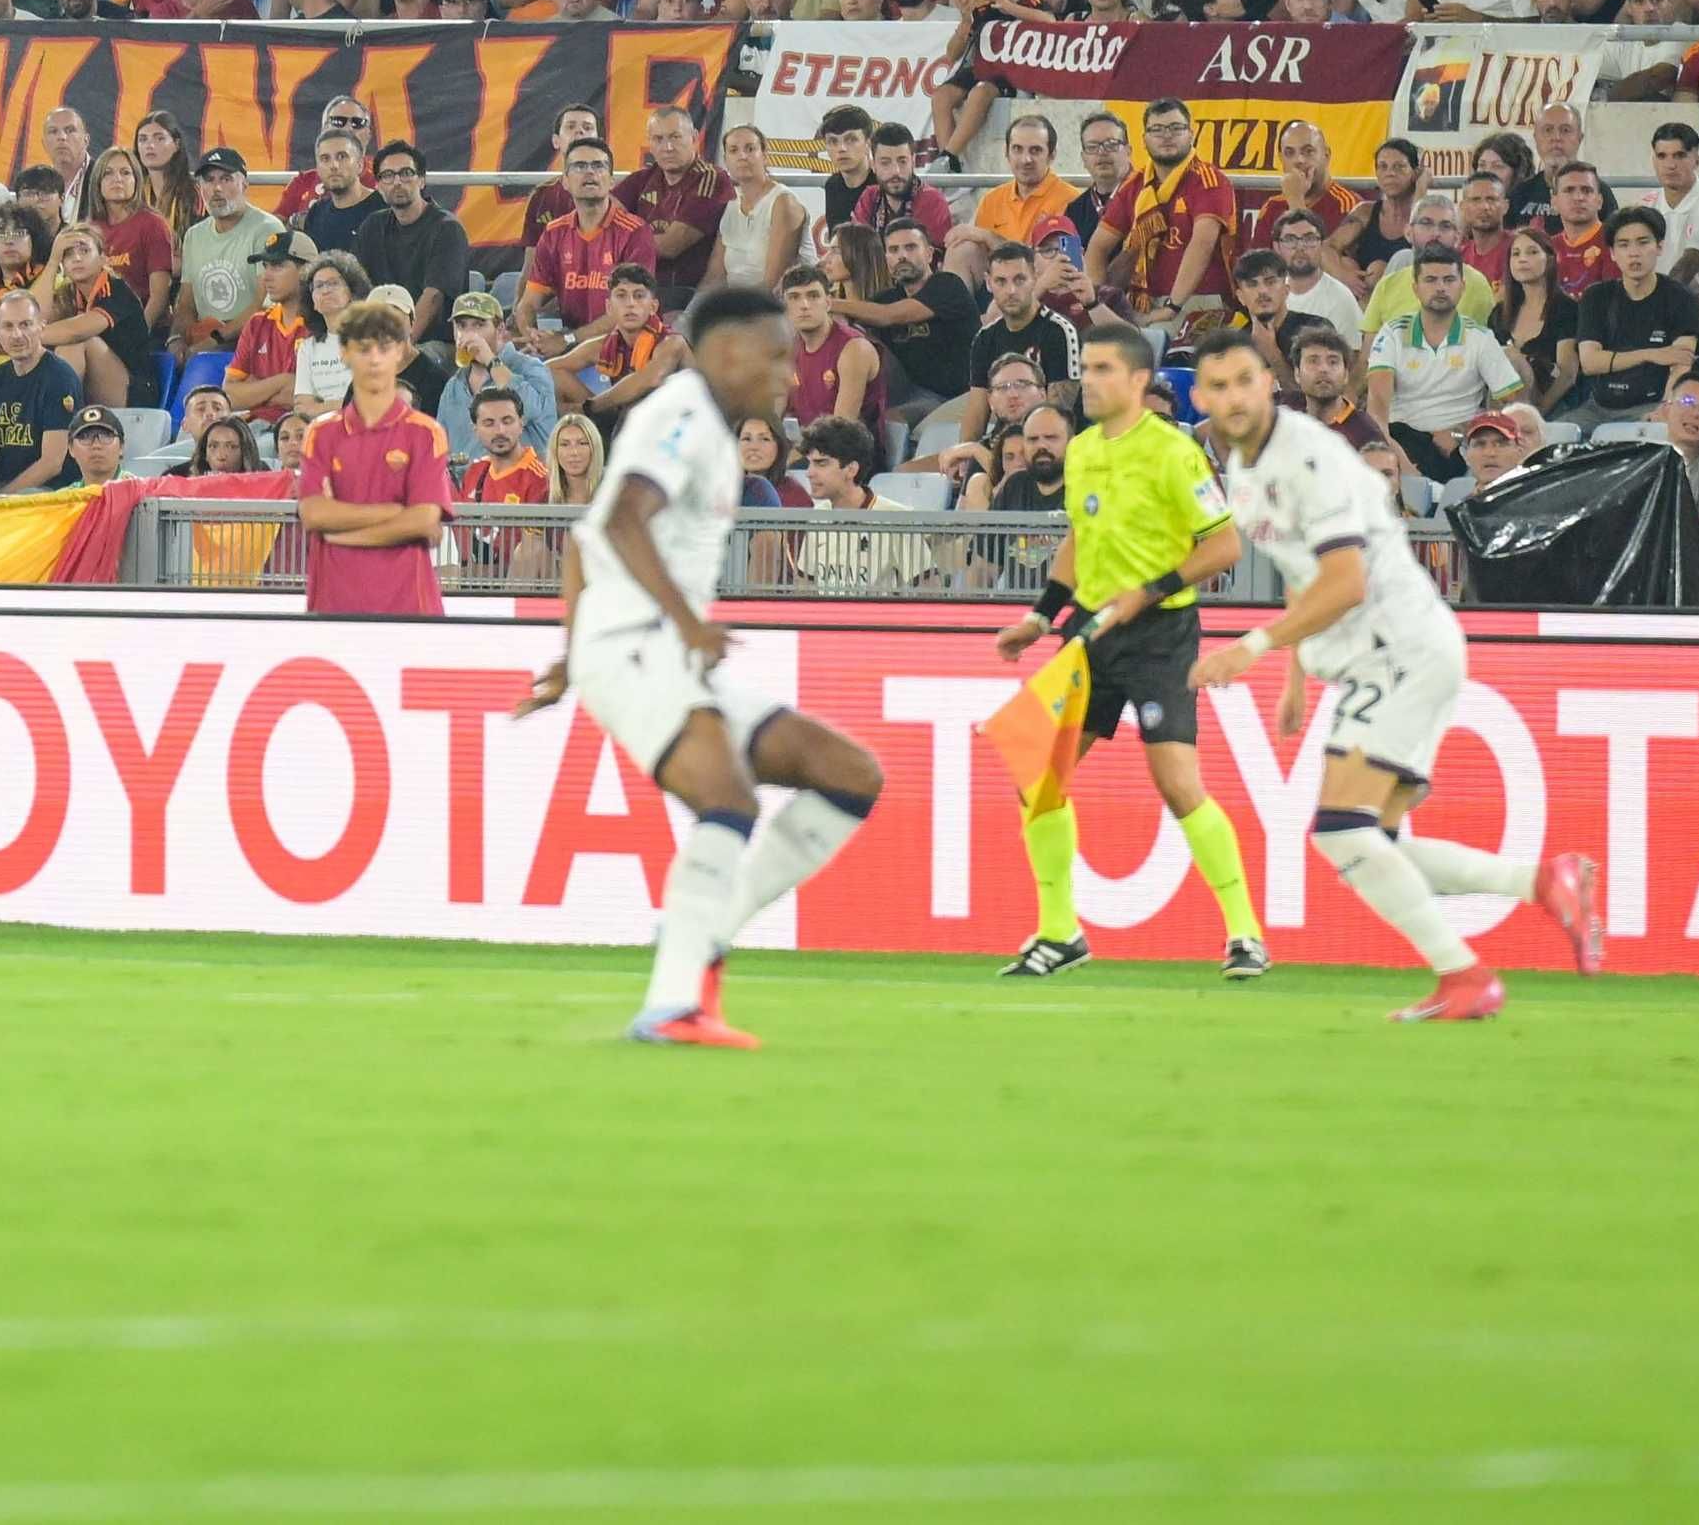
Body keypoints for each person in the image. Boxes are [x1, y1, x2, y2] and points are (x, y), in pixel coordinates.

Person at [506, 285, 891, 1048]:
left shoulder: (710, 428)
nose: (788, 374)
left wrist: (570, 655)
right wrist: (678, 624)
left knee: (850, 775)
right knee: (729, 798)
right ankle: (672, 1002)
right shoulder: (682, 413)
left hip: (657, 650)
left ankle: (704, 924)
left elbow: (585, 538)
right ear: (725, 352)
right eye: (774, 356)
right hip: (640, 643)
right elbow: (623, 520)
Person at [1192, 327, 1600, 1017]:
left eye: (1244, 380)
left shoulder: (1309, 457)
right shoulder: (1245, 470)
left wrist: (1252, 647)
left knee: (1341, 830)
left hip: (1400, 646)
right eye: (1217, 386)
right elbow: (1304, 573)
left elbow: (1345, 581)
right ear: (1201, 398)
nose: (1233, 397)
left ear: (1268, 383)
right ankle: (1543, 882)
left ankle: (1466, 975)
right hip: (1380, 655)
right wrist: (1295, 675)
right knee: (1374, 842)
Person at [980, 316, 1269, 980]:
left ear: (1140, 380)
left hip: (1159, 632)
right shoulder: (1083, 449)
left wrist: (1149, 590)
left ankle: (1245, 932)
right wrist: (1041, 615)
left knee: (1177, 783)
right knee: (1038, 775)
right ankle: (1060, 932)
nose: (1090, 381)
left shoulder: (1173, 452)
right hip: (1091, 631)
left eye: (1104, 370)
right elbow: (1079, 538)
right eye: (1086, 369)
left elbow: (1224, 546)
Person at [291, 301, 451, 616]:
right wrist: (394, 512)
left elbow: (423, 520)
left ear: (400, 351)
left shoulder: (425, 432)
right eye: (364, 348)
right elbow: (313, 514)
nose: (375, 358)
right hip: (334, 603)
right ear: (344, 353)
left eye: (384, 347)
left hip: (410, 605)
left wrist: (344, 533)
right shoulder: (320, 434)